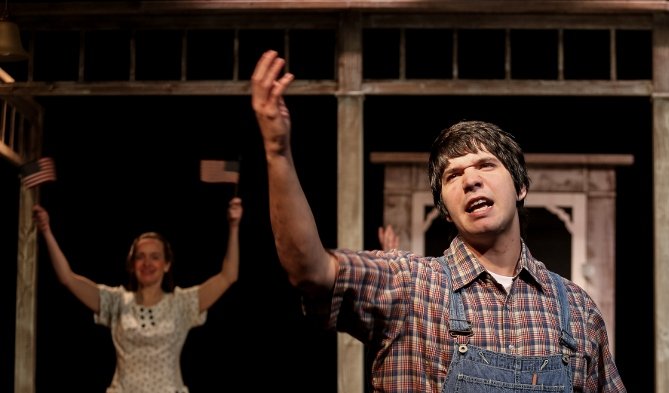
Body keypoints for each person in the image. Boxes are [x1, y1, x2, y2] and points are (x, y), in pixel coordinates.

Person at [250, 49, 625, 392]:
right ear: (444, 208)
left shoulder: (576, 310)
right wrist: (277, 153)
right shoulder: (409, 287)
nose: (471, 179)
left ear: (521, 186)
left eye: (485, 165)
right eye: (453, 175)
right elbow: (309, 270)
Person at [32, 197, 243, 393]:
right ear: (132, 265)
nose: (147, 264)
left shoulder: (182, 303)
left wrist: (234, 227)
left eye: (155, 257)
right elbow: (67, 278)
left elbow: (228, 276)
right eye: (140, 257)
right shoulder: (116, 301)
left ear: (167, 264)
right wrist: (46, 230)